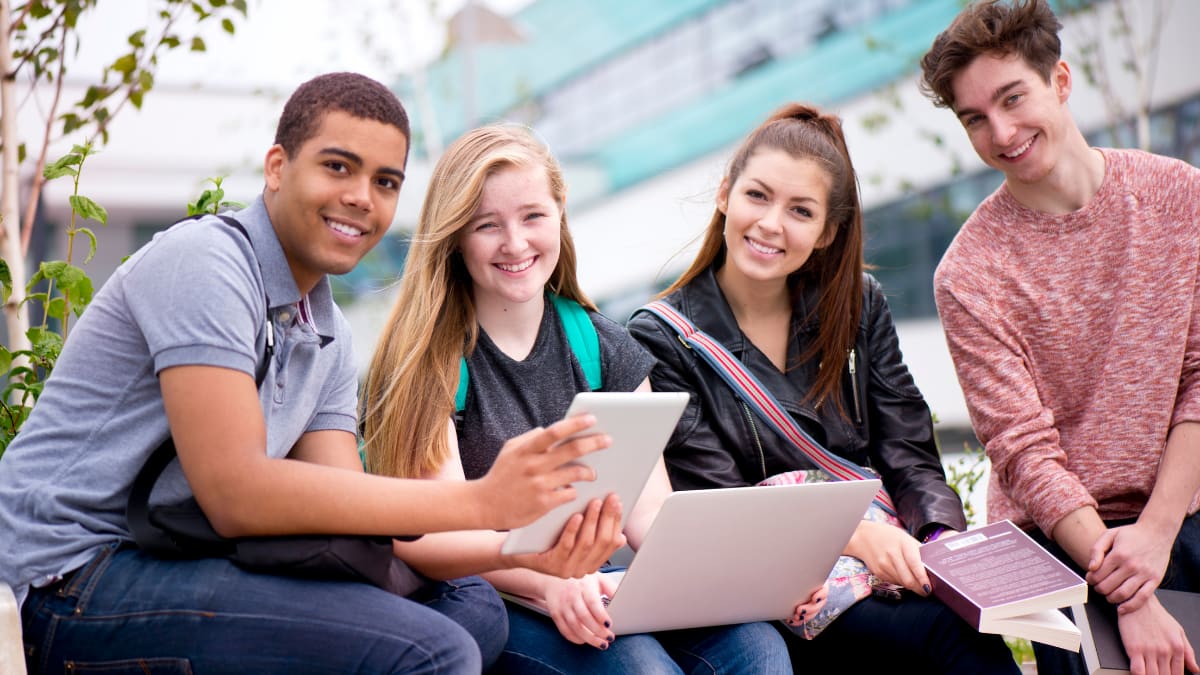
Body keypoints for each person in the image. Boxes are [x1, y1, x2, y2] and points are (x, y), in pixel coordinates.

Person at [0, 72, 622, 674]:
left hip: (183, 556)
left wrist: (524, 550)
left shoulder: (324, 328)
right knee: (434, 650)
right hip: (71, 575)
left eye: (385, 181)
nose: (360, 197)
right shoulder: (206, 264)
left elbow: (344, 511)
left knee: (473, 610)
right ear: (277, 168)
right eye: (337, 166)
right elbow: (236, 495)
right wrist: (484, 500)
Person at [360, 123, 811, 674]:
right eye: (487, 225)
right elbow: (433, 538)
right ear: (455, 236)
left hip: (596, 583)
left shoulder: (602, 344)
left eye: (533, 216)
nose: (516, 243)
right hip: (492, 597)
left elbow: (648, 512)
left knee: (759, 649)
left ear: (560, 213)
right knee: (640, 668)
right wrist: (548, 585)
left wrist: (748, 582)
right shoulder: (429, 361)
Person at [627, 102, 1022, 674]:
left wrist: (934, 541)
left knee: (1003, 627)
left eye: (800, 211)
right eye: (757, 196)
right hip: (776, 594)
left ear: (826, 232)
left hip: (883, 558)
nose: (770, 225)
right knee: (947, 637)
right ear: (724, 194)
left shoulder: (858, 305)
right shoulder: (662, 337)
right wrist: (858, 538)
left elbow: (908, 451)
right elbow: (717, 505)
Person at [920, 2, 1200, 674]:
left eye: (1013, 98)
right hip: (1056, 536)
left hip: (1177, 511)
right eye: (975, 119)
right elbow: (1023, 451)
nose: (1003, 132)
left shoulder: (1178, 197)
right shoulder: (969, 274)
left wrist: (1156, 537)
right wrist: (1131, 597)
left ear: (1062, 81)